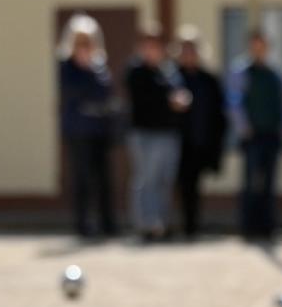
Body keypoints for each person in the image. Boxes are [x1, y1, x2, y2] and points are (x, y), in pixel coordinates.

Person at [125, 27, 188, 243]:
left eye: (157, 46)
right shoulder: (135, 72)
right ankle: (145, 224)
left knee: (165, 180)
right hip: (145, 134)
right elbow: (146, 99)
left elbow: (180, 93)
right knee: (146, 180)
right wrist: (168, 100)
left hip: (168, 134)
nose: (153, 50)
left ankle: (162, 224)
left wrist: (180, 99)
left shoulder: (169, 72)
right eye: (149, 45)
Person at [58, 14, 117, 239]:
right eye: (80, 42)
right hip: (78, 131)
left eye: (87, 42)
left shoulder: (100, 67)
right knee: (82, 178)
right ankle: (82, 224)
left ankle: (107, 224)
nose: (84, 47)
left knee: (103, 177)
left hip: (99, 130)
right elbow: (75, 94)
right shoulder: (66, 67)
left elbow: (105, 93)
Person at [227, 30, 282, 240]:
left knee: (269, 183)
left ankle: (268, 227)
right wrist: (244, 127)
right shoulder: (241, 72)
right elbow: (234, 102)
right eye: (255, 45)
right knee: (251, 182)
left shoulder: (275, 74)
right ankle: (248, 227)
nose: (259, 49)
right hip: (251, 136)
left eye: (262, 45)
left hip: (272, 135)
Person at [176, 33, 227, 239]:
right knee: (180, 184)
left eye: (192, 51)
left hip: (201, 140)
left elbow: (219, 114)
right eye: (185, 51)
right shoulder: (172, 77)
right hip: (177, 141)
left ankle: (192, 227)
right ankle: (179, 225)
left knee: (194, 184)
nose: (189, 55)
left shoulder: (209, 80)